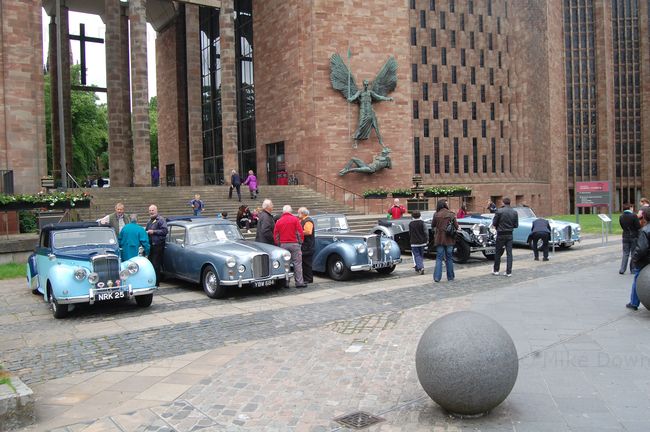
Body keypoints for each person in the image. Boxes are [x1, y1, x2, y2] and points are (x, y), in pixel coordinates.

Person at [274, 205, 306, 288]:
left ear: (283, 212)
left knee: (285, 264)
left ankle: (286, 282)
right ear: (290, 211)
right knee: (297, 264)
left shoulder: (279, 221)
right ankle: (299, 282)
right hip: (294, 244)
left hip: (283, 245)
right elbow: (300, 232)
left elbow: (276, 235)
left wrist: (278, 244)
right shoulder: (295, 220)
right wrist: (300, 242)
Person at [627, 208, 650, 310]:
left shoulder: (645, 230)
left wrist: (635, 258)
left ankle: (634, 303)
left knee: (637, 279)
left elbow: (641, 248)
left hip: (645, 261)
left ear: (644, 216)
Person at [492, 196, 519, 277]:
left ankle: (496, 270)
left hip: (500, 233)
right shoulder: (514, 212)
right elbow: (516, 225)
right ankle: (509, 271)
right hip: (510, 234)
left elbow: (494, 223)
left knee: (498, 252)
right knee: (509, 253)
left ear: (503, 203)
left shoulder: (499, 211)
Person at [145, 204, 168, 284]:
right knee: (151, 264)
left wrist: (153, 231)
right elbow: (146, 230)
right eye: (150, 211)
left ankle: (156, 282)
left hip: (158, 245)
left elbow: (165, 231)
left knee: (156, 264)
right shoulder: (149, 221)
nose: (151, 212)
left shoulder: (161, 219)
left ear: (156, 210)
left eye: (153, 210)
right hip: (151, 245)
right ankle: (152, 281)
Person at [620, 203, 641, 274]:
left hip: (625, 236)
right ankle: (632, 269)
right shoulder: (634, 216)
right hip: (633, 236)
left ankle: (622, 269)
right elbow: (638, 226)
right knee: (633, 253)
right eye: (632, 207)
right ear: (630, 208)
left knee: (625, 253)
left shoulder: (621, 216)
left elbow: (622, 226)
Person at [298, 207, 315, 283]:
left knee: (307, 263)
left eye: (299, 213)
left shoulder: (308, 221)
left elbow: (308, 231)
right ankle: (306, 278)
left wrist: (299, 232)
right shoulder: (302, 220)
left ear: (303, 213)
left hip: (308, 246)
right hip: (305, 246)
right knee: (304, 263)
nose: (298, 215)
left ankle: (308, 279)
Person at [409, 210, 428, 275]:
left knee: (416, 255)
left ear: (412, 216)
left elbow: (410, 233)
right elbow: (426, 232)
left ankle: (420, 267)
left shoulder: (411, 224)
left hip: (414, 242)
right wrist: (427, 239)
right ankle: (418, 266)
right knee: (421, 255)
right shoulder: (422, 223)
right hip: (422, 242)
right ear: (420, 215)